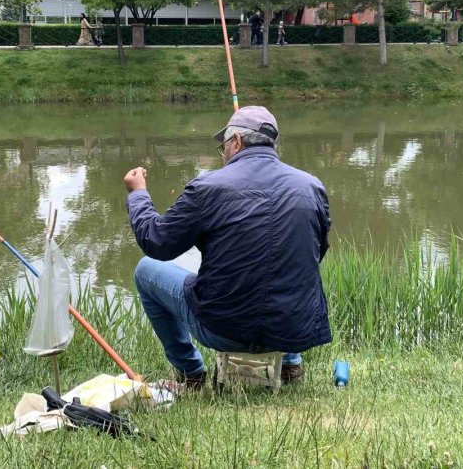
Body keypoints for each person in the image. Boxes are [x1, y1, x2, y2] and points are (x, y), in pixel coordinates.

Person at [123, 106, 332, 390]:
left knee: (146, 270)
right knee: (289, 266)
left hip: (224, 330)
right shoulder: (312, 187)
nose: (223, 154)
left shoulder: (208, 187)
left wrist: (138, 195)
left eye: (223, 146)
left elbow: (156, 242)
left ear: (236, 142)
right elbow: (316, 254)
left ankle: (191, 373)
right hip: (294, 328)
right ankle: (290, 366)